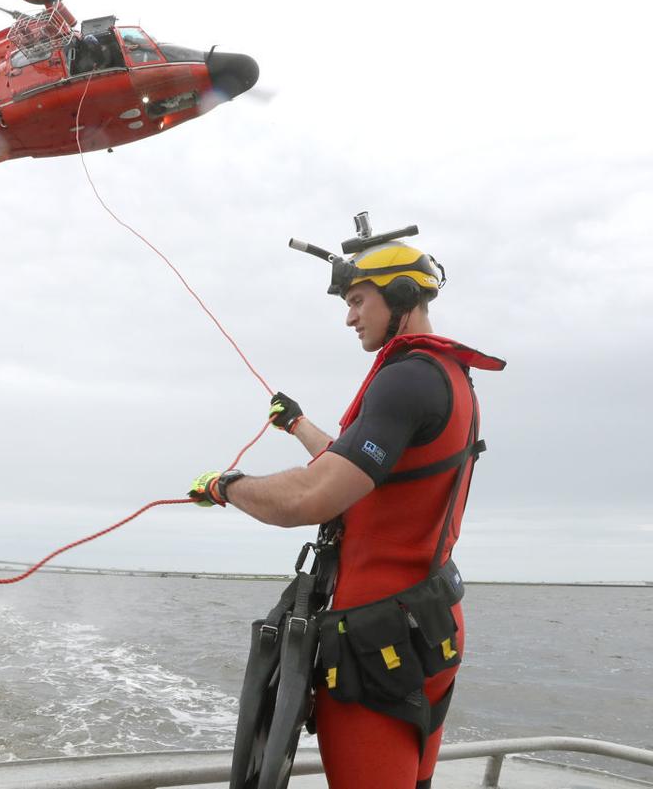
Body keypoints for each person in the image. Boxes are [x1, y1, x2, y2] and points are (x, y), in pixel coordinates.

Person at [190, 223, 504, 789]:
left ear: (401, 295)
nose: (350, 317)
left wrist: (226, 486)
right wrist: (297, 425)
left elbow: (314, 497)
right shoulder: (448, 377)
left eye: (358, 300)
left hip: (375, 641)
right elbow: (362, 470)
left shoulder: (405, 379)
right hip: (432, 622)